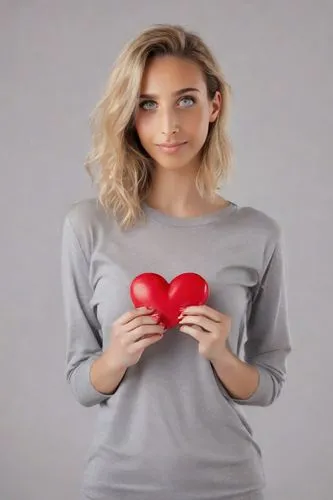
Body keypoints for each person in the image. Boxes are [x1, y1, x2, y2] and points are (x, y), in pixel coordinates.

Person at [61, 23, 292, 500]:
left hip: (229, 485)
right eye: (148, 104)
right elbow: (82, 384)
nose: (168, 125)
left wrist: (221, 355)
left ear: (214, 106)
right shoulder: (88, 226)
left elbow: (267, 382)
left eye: (185, 100)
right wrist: (118, 356)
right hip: (116, 484)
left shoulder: (257, 233)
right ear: (130, 116)